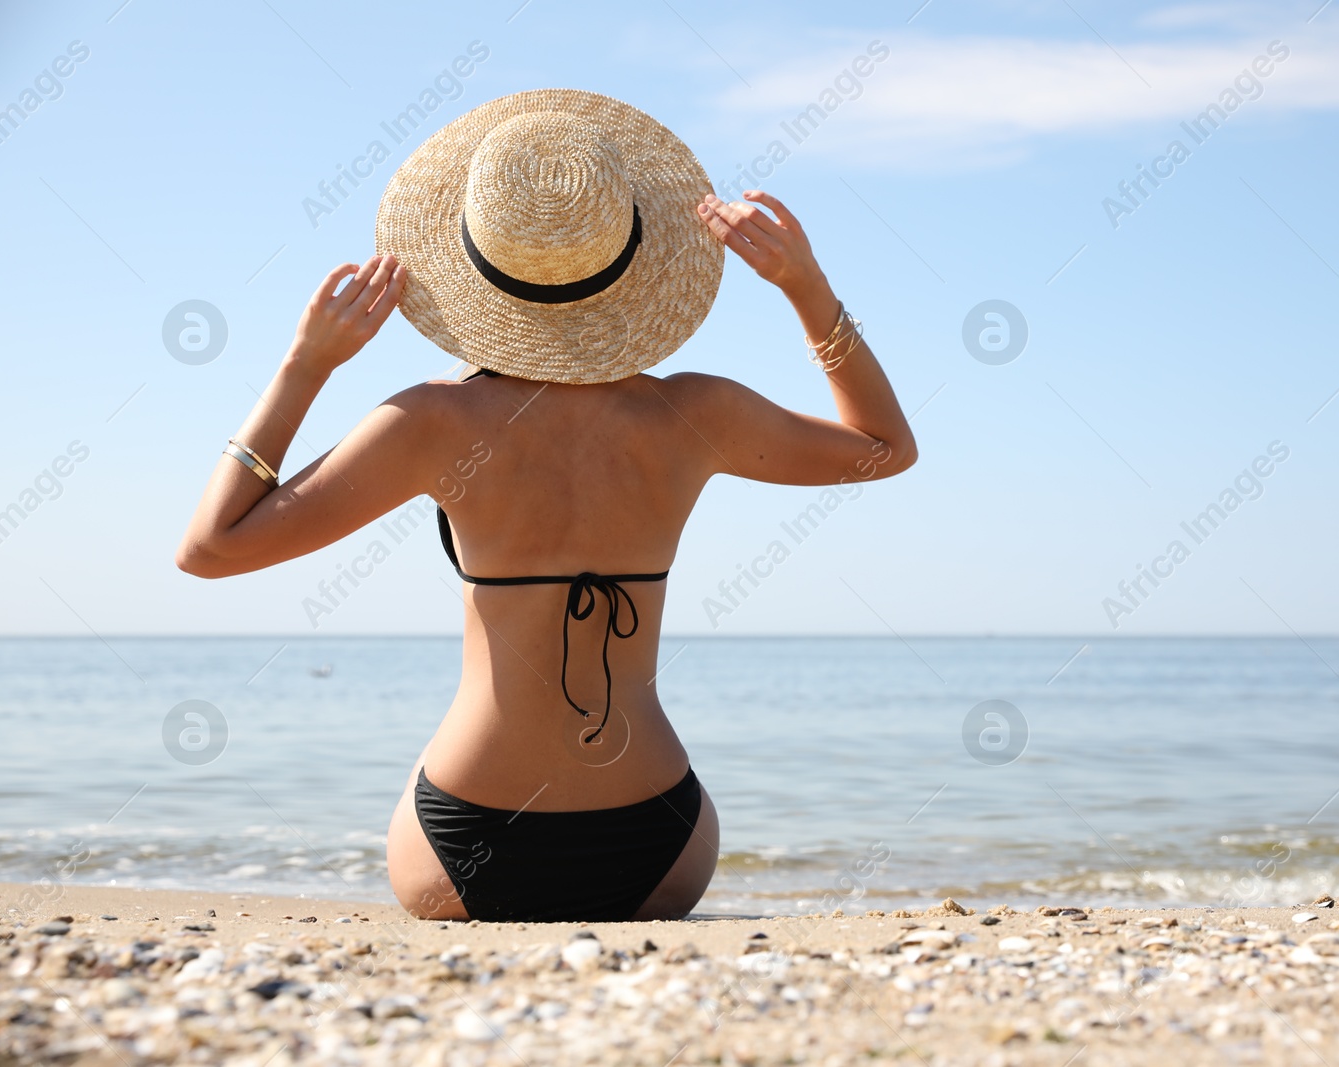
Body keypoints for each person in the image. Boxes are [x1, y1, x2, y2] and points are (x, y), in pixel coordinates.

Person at [175, 89, 917, 923]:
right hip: (658, 846)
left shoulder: (432, 423)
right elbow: (888, 449)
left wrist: (308, 364)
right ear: (634, 258)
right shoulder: (694, 415)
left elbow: (210, 547)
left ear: (475, 260)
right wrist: (806, 287)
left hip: (465, 849)